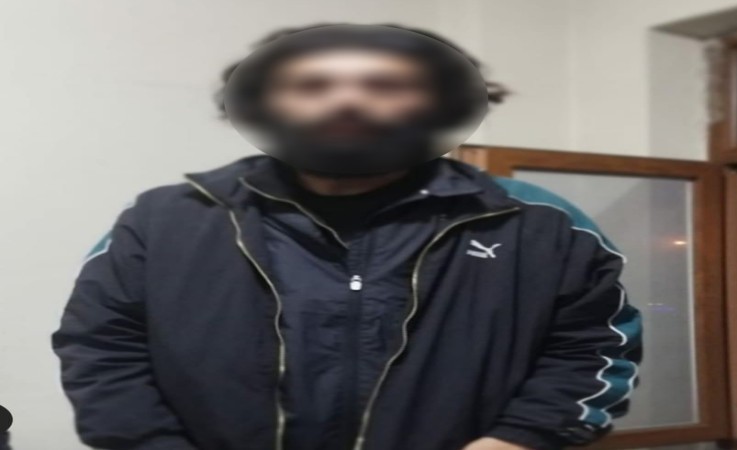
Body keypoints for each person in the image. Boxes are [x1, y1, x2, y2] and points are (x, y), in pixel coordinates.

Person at [52, 23, 642, 450]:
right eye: (311, 85)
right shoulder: (164, 219)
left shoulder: (538, 222)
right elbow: (101, 349)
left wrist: (516, 441)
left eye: (386, 84)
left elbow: (594, 349)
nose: (348, 100)